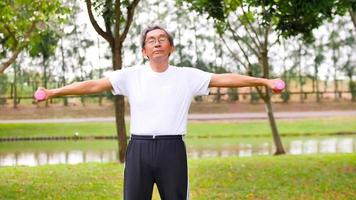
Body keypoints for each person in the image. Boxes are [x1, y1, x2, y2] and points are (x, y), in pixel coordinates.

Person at [36, 25, 284, 200]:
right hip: (139, 149)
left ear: (171, 48)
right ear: (144, 50)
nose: (156, 42)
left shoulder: (187, 76)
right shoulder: (130, 75)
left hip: (172, 150)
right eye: (151, 40)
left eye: (162, 38)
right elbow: (91, 85)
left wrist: (264, 82)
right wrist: (53, 92)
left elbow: (226, 78)